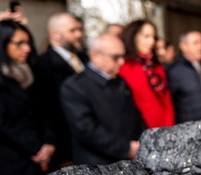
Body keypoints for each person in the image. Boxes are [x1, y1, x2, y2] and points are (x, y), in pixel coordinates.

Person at [0, 20, 55, 175]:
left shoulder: (31, 71)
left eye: (28, 42)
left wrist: (49, 144)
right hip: (9, 161)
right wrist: (37, 148)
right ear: (1, 43)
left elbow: (46, 111)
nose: (27, 49)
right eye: (19, 43)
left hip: (40, 159)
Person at [60, 34, 145, 165]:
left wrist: (143, 141)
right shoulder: (74, 87)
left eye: (123, 56)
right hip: (97, 165)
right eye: (116, 57)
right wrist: (126, 148)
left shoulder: (119, 81)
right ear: (95, 55)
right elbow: (86, 130)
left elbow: (135, 117)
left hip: (127, 160)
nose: (122, 62)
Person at [32, 13, 86, 168]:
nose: (79, 34)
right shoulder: (42, 66)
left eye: (80, 29)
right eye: (72, 30)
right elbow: (48, 112)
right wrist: (61, 153)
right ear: (55, 34)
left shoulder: (85, 58)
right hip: (67, 151)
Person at [119, 20, 174, 128]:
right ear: (133, 36)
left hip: (162, 129)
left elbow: (167, 103)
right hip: (138, 131)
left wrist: (169, 129)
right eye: (146, 36)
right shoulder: (123, 66)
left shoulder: (157, 67)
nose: (152, 41)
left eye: (153, 37)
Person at [166, 30, 201, 123]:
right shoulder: (175, 71)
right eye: (196, 43)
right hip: (187, 132)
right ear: (183, 46)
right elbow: (167, 104)